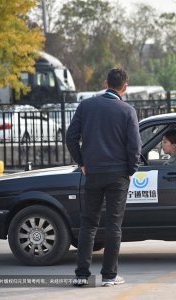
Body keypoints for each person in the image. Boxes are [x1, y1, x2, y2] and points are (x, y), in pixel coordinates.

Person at [66, 68, 142, 287]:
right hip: (118, 175)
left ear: (105, 82)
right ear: (125, 87)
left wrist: (82, 163)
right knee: (113, 225)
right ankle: (109, 276)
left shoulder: (86, 106)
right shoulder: (127, 111)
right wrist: (131, 169)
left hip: (93, 173)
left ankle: (82, 275)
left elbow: (71, 137)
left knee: (88, 224)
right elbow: (134, 146)